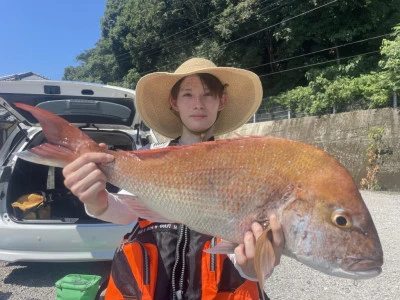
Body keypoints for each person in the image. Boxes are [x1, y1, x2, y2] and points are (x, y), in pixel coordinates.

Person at [63, 58, 284, 299]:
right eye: (188, 94)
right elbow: (127, 212)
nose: (198, 104)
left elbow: (242, 243)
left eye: (208, 95)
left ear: (221, 101)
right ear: (174, 102)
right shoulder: (149, 158)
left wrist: (253, 267)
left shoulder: (241, 165)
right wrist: (96, 200)